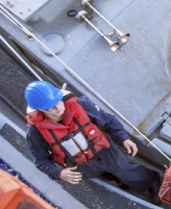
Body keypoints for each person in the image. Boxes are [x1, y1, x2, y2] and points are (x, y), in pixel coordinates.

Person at [24, 80, 160, 201]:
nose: (58, 108)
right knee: (107, 176)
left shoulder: (82, 105)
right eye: (50, 108)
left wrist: (123, 138)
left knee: (124, 171)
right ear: (40, 110)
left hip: (104, 152)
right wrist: (59, 172)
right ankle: (119, 179)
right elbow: (41, 160)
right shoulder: (35, 132)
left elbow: (108, 120)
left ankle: (152, 180)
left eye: (58, 101)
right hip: (81, 165)